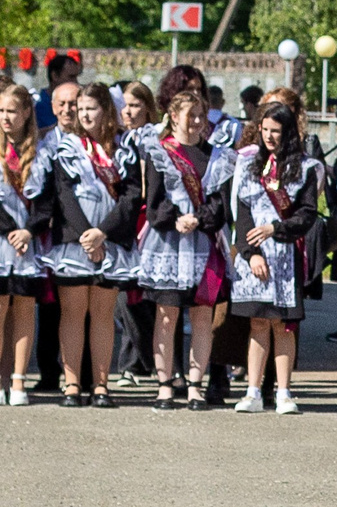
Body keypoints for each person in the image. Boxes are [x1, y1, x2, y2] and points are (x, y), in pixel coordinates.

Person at [40, 82, 139, 405]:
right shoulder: (67, 147)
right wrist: (87, 234)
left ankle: (100, 384)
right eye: (80, 109)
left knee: (102, 313)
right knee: (72, 312)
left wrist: (103, 233)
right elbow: (63, 194)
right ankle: (71, 384)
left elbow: (131, 194)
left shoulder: (124, 147)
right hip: (75, 241)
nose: (83, 115)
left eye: (90, 108)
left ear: (106, 111)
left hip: (110, 241)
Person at [137, 80, 232, 411]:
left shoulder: (217, 156)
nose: (197, 121)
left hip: (205, 245)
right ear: (174, 116)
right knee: (167, 315)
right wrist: (176, 218)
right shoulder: (160, 152)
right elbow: (153, 202)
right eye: (191, 115)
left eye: (201, 115)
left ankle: (195, 386)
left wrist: (199, 219)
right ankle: (165, 384)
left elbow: (220, 204)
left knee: (203, 316)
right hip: (169, 245)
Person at [227, 98, 324, 415]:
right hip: (255, 257)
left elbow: (307, 214)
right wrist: (251, 254)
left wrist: (276, 228)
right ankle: (253, 391)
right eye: (265, 129)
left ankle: (283, 392)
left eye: (276, 130)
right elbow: (242, 214)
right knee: (257, 323)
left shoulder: (304, 168)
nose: (269, 136)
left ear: (288, 132)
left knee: (283, 325)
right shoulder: (249, 165)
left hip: (286, 254)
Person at [0, 85, 48, 402]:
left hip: (28, 243)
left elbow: (47, 201)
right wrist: (10, 230)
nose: (5, 117)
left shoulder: (42, 152)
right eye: (1, 111)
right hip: (2, 241)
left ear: (27, 113)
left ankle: (18, 380)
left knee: (24, 310)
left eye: (12, 111)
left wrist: (28, 230)